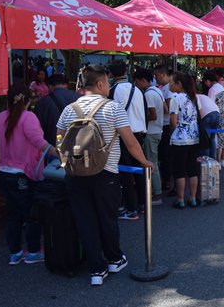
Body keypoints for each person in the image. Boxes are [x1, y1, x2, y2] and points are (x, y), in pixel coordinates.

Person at [56, 65, 154, 286]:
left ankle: (96, 270)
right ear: (100, 84)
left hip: (75, 173)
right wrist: (145, 162)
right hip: (105, 172)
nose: (109, 87)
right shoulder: (112, 108)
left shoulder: (69, 109)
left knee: (85, 220)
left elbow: (60, 140)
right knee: (107, 217)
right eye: (107, 83)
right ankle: (114, 259)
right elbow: (130, 142)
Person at [0, 84, 60, 266]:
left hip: (4, 172)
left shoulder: (1, 116)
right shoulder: (28, 117)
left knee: (14, 215)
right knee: (32, 214)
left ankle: (15, 253)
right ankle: (33, 252)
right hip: (23, 174)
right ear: (27, 100)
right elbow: (39, 142)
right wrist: (59, 153)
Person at [109, 61, 147, 220]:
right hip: (139, 134)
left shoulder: (112, 90)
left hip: (122, 136)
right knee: (139, 169)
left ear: (111, 74)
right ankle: (143, 204)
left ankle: (131, 209)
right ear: (126, 71)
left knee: (125, 173)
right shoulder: (137, 90)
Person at [168, 72, 201, 208]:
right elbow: (200, 115)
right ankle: (193, 198)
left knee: (179, 170)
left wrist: (172, 132)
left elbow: (173, 122)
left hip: (180, 139)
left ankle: (180, 199)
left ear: (179, 84)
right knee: (192, 169)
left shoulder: (175, 99)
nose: (169, 85)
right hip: (194, 137)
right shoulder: (194, 97)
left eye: (171, 82)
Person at [134, 68, 164, 205]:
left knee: (151, 163)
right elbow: (165, 109)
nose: (136, 85)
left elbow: (153, 115)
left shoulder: (148, 94)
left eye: (137, 82)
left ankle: (156, 195)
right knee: (153, 162)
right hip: (158, 131)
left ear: (143, 81)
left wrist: (140, 117)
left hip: (151, 132)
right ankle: (154, 192)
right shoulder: (158, 91)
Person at [34, 73, 80, 147]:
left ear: (49, 86)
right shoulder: (80, 98)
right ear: (66, 85)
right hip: (78, 144)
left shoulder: (42, 103)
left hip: (53, 146)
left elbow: (38, 129)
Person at [153, 65, 174, 193]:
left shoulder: (169, 89)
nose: (155, 77)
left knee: (166, 155)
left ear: (163, 74)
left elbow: (169, 109)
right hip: (162, 124)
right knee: (163, 154)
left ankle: (167, 180)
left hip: (167, 125)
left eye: (156, 75)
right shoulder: (161, 88)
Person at [204, 71, 224, 168]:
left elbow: (210, 104)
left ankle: (217, 161)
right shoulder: (221, 86)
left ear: (208, 81)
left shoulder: (212, 89)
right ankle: (223, 159)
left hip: (216, 116)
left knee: (216, 140)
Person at [196, 87, 221, 159]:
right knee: (212, 138)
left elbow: (199, 112)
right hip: (217, 114)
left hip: (207, 115)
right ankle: (213, 159)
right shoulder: (204, 96)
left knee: (205, 140)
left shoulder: (194, 97)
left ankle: (206, 160)